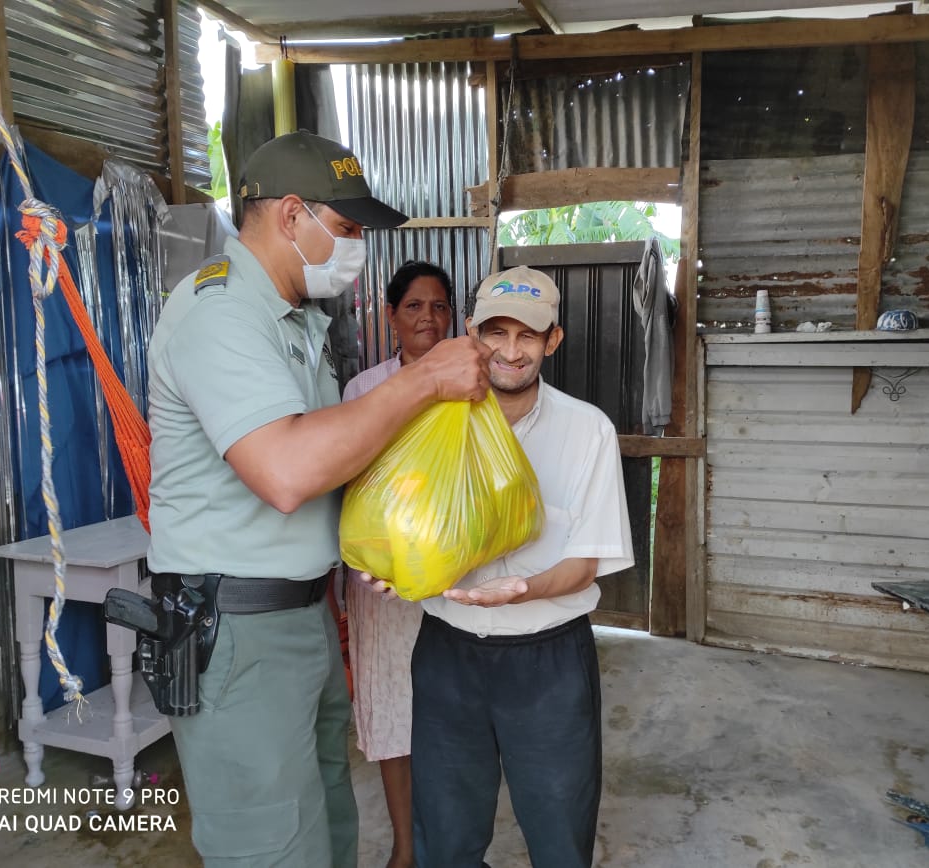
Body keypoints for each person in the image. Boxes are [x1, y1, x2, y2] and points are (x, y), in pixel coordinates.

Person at [145, 130, 490, 868]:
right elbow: (287, 472)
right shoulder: (220, 313)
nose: (357, 246)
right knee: (272, 847)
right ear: (292, 215)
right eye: (347, 229)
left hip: (302, 620)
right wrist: (424, 380)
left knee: (327, 833)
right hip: (235, 632)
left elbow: (337, 458)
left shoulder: (296, 318)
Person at [408, 265, 635, 868]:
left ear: (552, 340)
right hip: (447, 651)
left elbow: (585, 564)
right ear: (470, 331)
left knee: (560, 832)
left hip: (547, 662)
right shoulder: (426, 421)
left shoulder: (588, 431)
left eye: (527, 336)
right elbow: (396, 524)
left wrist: (522, 590)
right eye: (496, 332)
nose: (510, 352)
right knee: (445, 833)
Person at [343, 259, 455, 868]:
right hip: (383, 580)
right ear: (391, 317)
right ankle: (406, 850)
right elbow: (353, 485)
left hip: (456, 576)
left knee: (449, 715)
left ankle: (449, 845)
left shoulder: (474, 384)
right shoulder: (363, 391)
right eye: (414, 306)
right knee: (392, 712)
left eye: (439, 306)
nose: (428, 318)